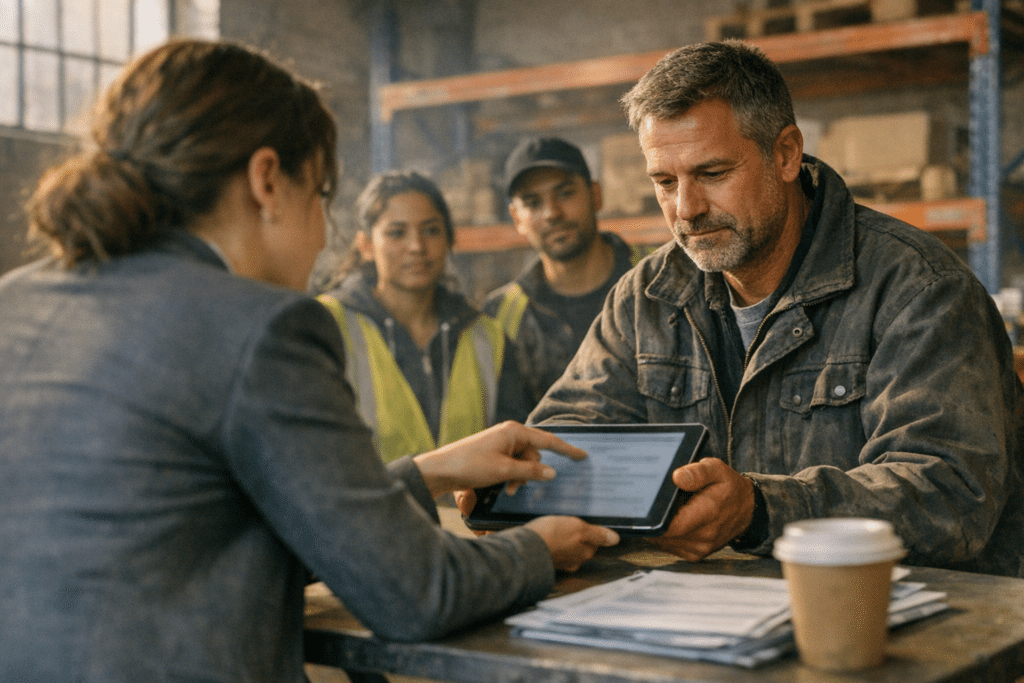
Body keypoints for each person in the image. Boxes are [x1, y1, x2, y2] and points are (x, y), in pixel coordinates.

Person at [0, 39, 619, 682]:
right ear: (267, 180)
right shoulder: (260, 328)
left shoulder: (16, 300)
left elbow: (212, 536)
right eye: (322, 196)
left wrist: (429, 471)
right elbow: (416, 593)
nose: (323, 232)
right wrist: (538, 549)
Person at [520, 40, 1024, 578]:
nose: (686, 209)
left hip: (911, 624)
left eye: (712, 173)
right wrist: (518, 484)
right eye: (665, 182)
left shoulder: (918, 289)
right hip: (719, 613)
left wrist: (761, 510)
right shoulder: (650, 295)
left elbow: (950, 494)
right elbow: (566, 435)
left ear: (785, 154)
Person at [317, 171, 531, 465]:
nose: (416, 246)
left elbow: (514, 449)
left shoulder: (486, 337)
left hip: (466, 512)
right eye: (396, 233)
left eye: (431, 230)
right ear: (365, 245)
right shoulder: (327, 326)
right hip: (366, 511)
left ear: (449, 239)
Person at [483, 137, 651, 406]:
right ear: (517, 218)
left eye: (565, 193)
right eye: (533, 203)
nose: (552, 213)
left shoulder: (657, 284)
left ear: (595, 195)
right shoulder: (499, 317)